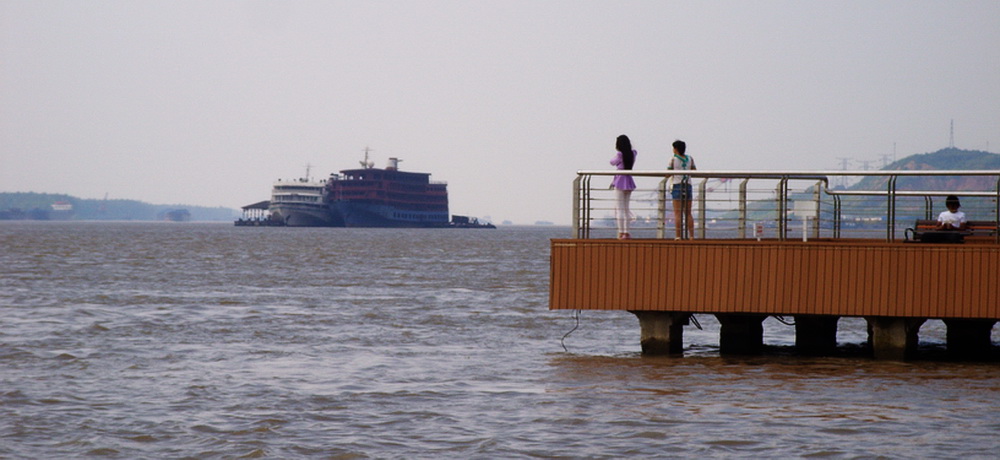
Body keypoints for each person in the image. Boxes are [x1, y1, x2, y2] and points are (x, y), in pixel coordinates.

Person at [667, 140, 696, 240]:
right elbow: (694, 171)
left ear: (675, 149)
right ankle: (691, 236)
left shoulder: (673, 159)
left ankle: (678, 236)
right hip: (688, 185)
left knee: (677, 213)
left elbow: (668, 173)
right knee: (688, 213)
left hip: (677, 185)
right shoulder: (690, 158)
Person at [610, 135, 637, 239]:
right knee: (626, 208)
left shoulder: (620, 154)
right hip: (629, 179)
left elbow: (612, 162)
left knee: (620, 209)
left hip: (620, 180)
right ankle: (627, 232)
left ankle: (621, 232)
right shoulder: (633, 153)